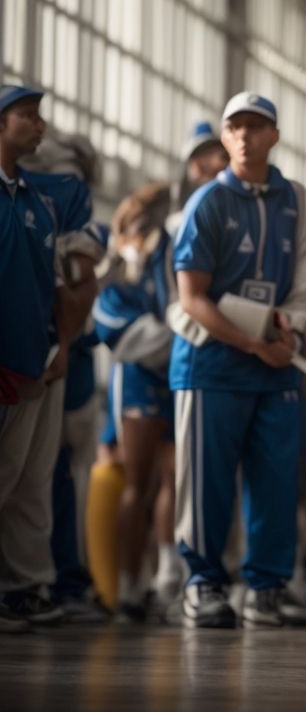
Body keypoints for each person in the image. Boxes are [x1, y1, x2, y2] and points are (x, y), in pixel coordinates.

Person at [168, 92, 306, 628]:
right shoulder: (208, 203)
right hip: (210, 367)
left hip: (275, 366)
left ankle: (265, 589)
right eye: (235, 127)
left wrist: (290, 328)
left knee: (276, 481)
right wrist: (253, 344)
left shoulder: (297, 201)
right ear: (224, 136)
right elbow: (192, 298)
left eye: (256, 126)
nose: (244, 136)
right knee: (206, 482)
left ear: (274, 136)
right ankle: (204, 584)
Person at [0, 84, 101, 628]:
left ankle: (25, 589)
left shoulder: (42, 201)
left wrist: (61, 343)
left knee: (32, 481)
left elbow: (69, 287)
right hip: (9, 363)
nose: (41, 128)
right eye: (28, 118)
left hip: (39, 360)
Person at [94, 182, 181, 621]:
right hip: (136, 383)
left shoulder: (169, 252)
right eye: (132, 228)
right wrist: (172, 339)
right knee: (137, 484)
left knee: (173, 478)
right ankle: (129, 585)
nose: (139, 236)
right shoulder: (116, 265)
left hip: (173, 379)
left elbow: (180, 308)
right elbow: (113, 327)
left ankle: (167, 577)